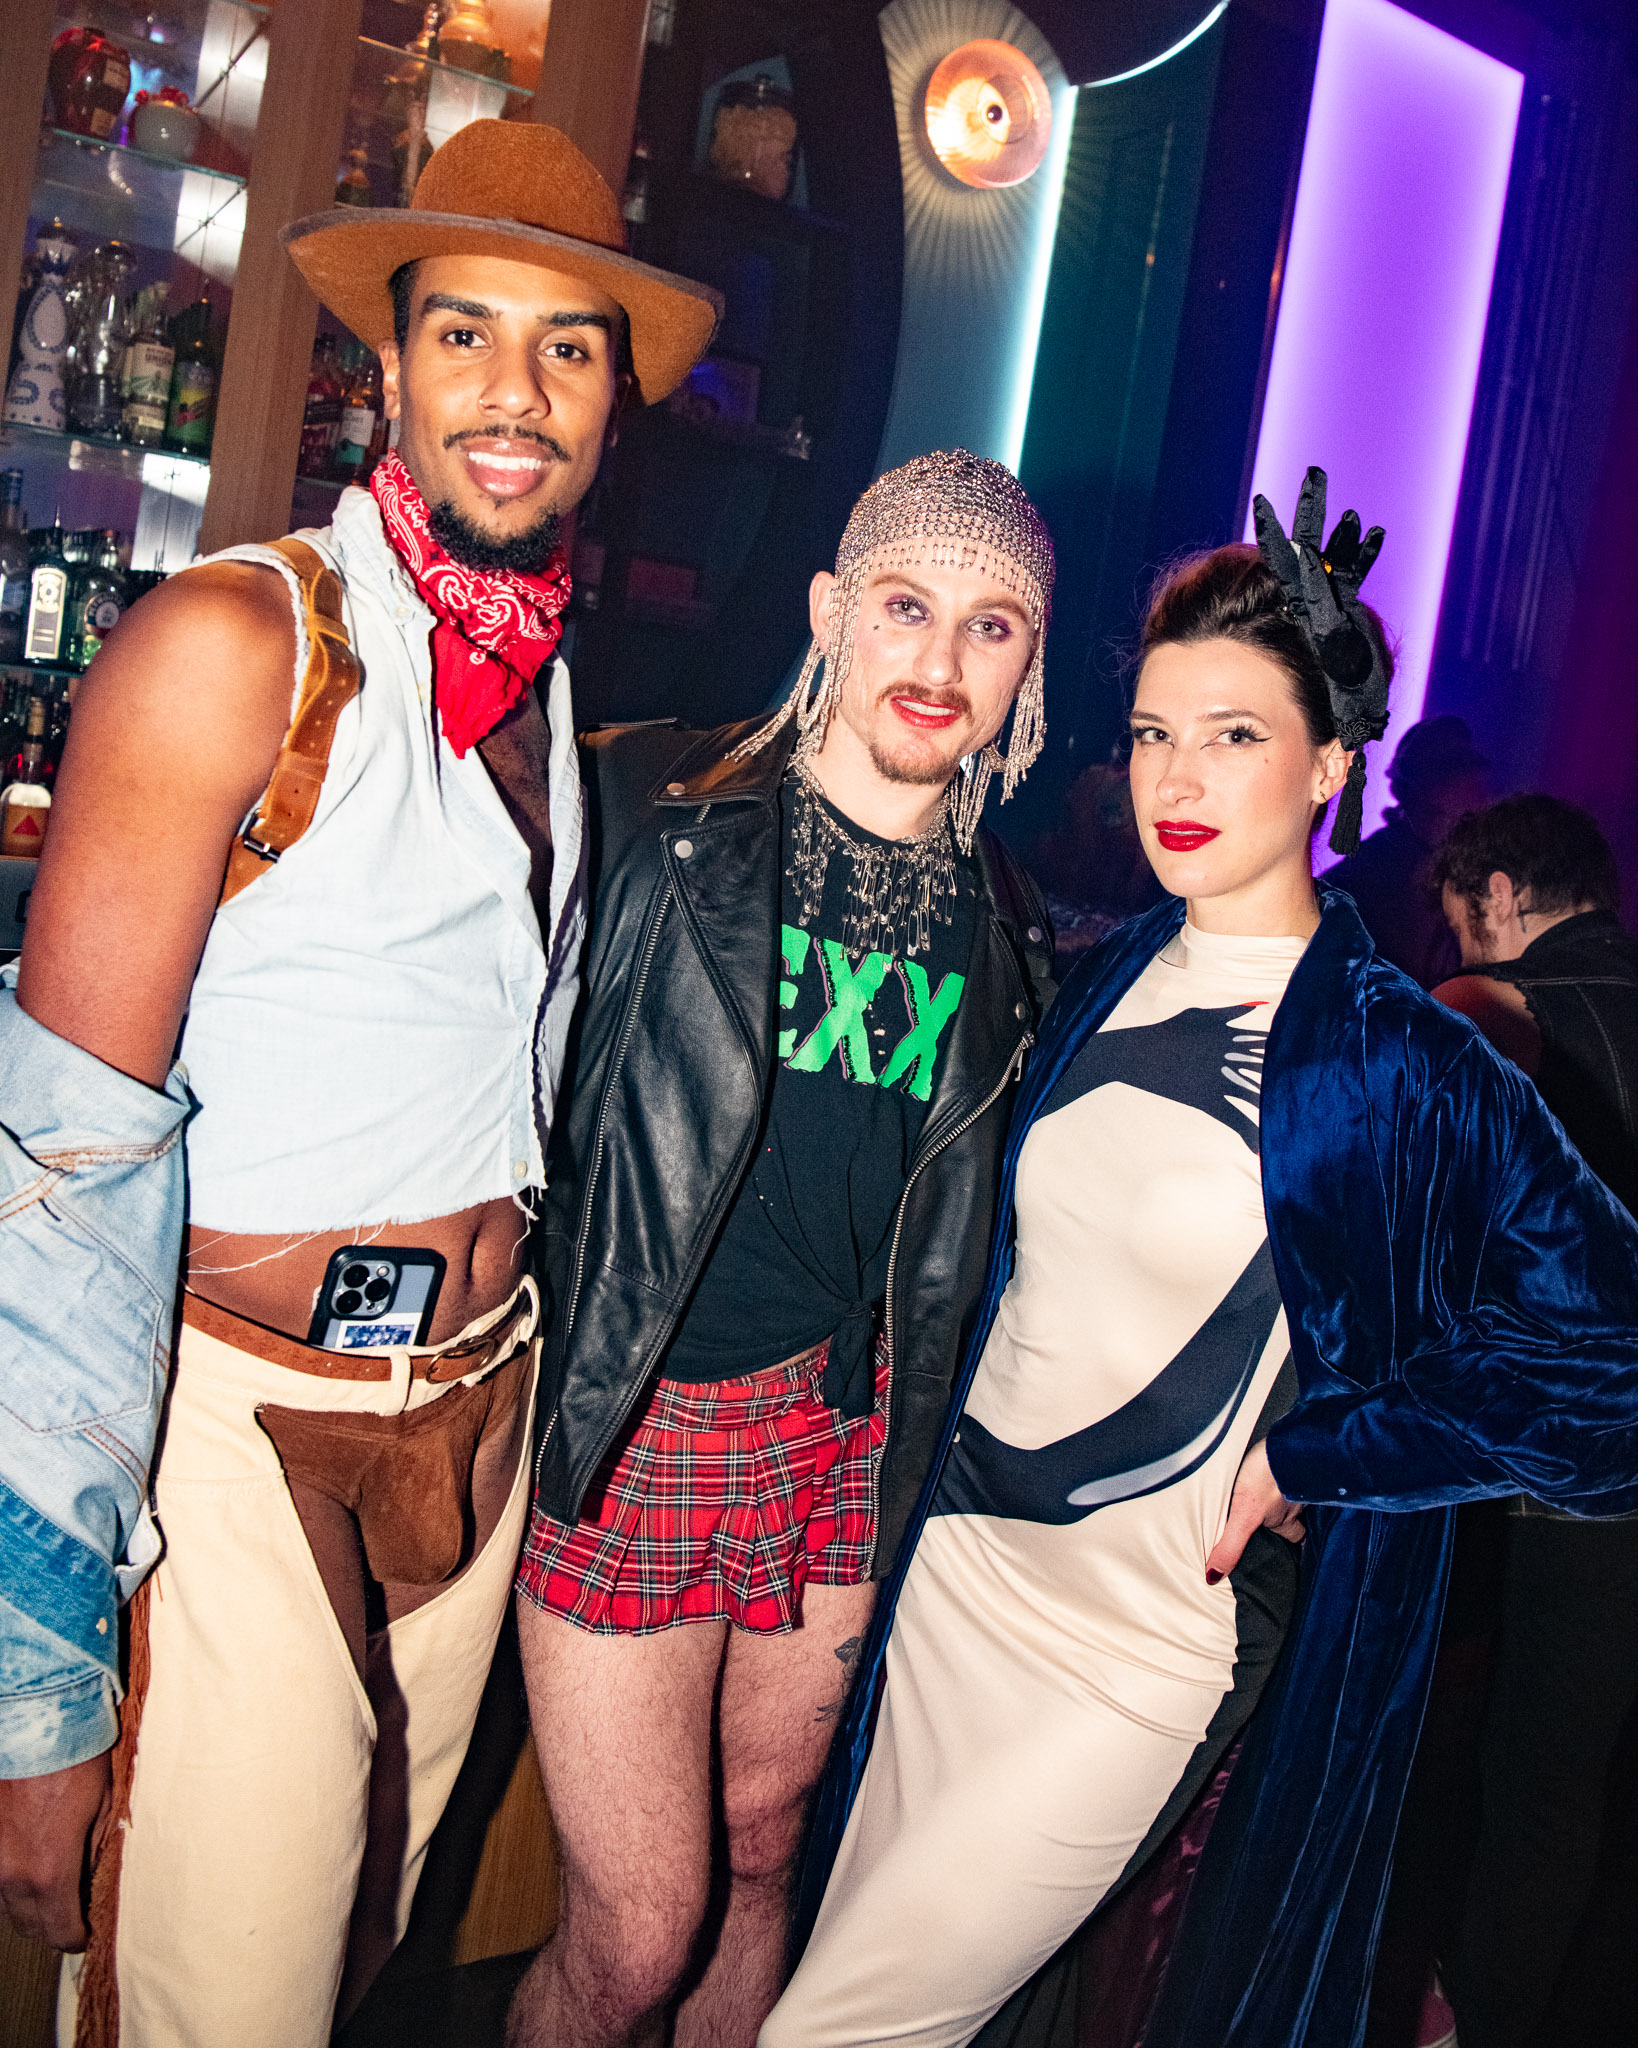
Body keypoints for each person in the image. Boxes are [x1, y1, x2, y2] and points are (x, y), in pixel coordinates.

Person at [0, 120, 718, 2047]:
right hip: (242, 1429)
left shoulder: (549, 686)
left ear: (613, 399)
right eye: (463, 334)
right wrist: (31, 1674)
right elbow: (46, 1171)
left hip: (471, 1428)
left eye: (566, 347)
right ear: (387, 368)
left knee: (340, 1978)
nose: (514, 391)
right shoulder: (239, 642)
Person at [762, 469, 1638, 2048]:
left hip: (1134, 1644)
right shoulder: (1094, 978)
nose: (1175, 775)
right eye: (1153, 732)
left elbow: (1614, 1362)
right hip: (954, 1582)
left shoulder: (1397, 1059)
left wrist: (1334, 1448)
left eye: (1233, 735)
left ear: (1329, 767)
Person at [505, 451, 1056, 2048]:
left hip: (840, 1432)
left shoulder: (1007, 928)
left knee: (761, 1854)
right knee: (637, 1931)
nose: (939, 662)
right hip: (641, 1410)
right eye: (903, 606)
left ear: (1027, 667)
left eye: (991, 626)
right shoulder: (642, 808)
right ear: (828, 611)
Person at [1427, 794, 1638, 2048]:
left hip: (1526, 1462)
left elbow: (1464, 1032)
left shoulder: (1505, 1006)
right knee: (1561, 1784)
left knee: (1437, 1742)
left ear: (1500, 894)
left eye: (1463, 921)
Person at [1326, 712, 1489, 986]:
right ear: (1421, 792)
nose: (1477, 794)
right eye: (1460, 779)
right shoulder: (1372, 870)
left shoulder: (1466, 868)